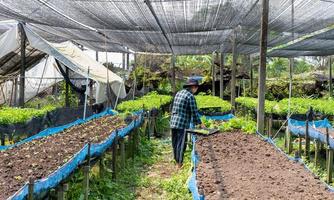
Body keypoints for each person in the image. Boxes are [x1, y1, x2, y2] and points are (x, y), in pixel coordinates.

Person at [170, 78, 201, 168]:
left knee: (175, 142)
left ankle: (176, 160)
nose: (196, 90)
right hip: (182, 123)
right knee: (181, 143)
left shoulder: (179, 93)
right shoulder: (190, 96)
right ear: (193, 87)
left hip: (173, 121)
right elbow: (194, 112)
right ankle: (179, 164)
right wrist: (199, 123)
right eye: (196, 88)